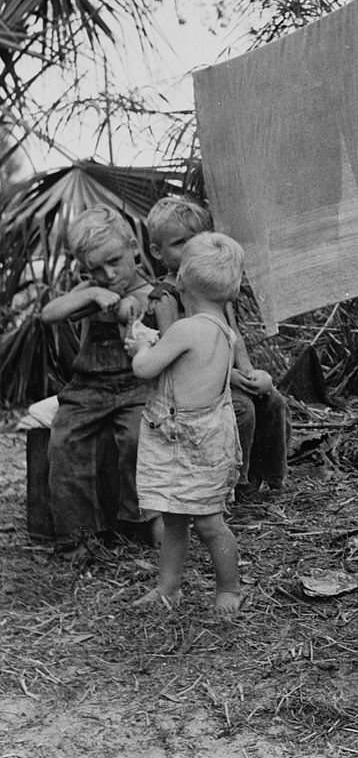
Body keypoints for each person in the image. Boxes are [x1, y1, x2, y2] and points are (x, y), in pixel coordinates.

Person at [127, 232, 246, 617]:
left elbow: (145, 369)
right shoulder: (223, 332)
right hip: (209, 437)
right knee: (184, 515)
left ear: (179, 281)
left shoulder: (184, 329)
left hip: (184, 439)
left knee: (203, 521)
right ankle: (170, 588)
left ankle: (229, 588)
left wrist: (140, 345)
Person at [145, 196, 290, 498]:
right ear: (158, 252)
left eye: (197, 239)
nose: (191, 248)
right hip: (195, 386)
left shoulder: (212, 284)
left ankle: (270, 478)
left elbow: (233, 337)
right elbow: (175, 356)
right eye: (179, 242)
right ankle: (235, 485)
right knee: (242, 410)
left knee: (273, 401)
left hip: (226, 377)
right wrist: (231, 378)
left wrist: (249, 374)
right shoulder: (167, 296)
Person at [41, 205, 159, 558]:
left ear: (133, 247)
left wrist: (123, 306)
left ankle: (140, 523)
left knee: (139, 438)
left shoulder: (152, 292)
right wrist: (91, 294)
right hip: (88, 387)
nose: (107, 274)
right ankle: (79, 535)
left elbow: (131, 310)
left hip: (136, 385)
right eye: (95, 269)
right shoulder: (90, 289)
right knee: (64, 441)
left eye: (114, 261)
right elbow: (48, 315)